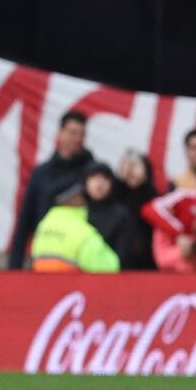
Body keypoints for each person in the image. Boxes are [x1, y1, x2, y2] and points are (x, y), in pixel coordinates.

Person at [9, 111, 94, 269]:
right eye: (73, 133)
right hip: (44, 258)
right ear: (60, 134)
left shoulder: (92, 173)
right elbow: (25, 220)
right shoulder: (41, 174)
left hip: (79, 261)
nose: (78, 139)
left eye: (82, 134)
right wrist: (14, 267)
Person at [29, 183, 120, 273]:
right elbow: (108, 267)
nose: (83, 199)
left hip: (42, 285)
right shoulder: (81, 231)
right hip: (72, 285)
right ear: (68, 200)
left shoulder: (44, 224)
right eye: (78, 196)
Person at [116, 151, 158, 270]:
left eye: (136, 165)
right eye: (127, 165)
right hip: (119, 262)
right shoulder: (114, 195)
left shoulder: (153, 197)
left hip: (149, 261)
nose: (131, 171)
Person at [83, 162, 132, 264]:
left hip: (110, 273)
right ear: (85, 182)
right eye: (94, 177)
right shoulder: (76, 212)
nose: (99, 183)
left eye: (105, 178)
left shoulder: (121, 215)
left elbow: (123, 254)